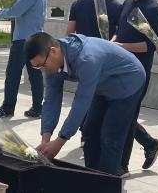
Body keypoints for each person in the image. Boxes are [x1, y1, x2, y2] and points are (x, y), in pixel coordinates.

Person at [29, 31, 145, 176]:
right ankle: (92, 176)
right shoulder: (52, 61)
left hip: (128, 82)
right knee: (89, 131)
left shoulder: (86, 58)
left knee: (110, 137)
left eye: (41, 65)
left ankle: (108, 181)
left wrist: (59, 142)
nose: (42, 70)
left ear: (53, 51)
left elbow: (81, 103)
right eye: (36, 67)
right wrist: (45, 140)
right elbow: (51, 99)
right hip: (102, 83)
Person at [112, 0, 158, 171]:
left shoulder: (152, 9)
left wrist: (121, 46)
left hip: (138, 71)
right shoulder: (127, 3)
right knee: (121, 114)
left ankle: (121, 166)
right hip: (119, 66)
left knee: (128, 116)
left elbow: (150, 46)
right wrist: (112, 42)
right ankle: (150, 144)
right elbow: (119, 31)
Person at [0, 0, 48, 119]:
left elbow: (16, 11)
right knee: (35, 75)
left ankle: (7, 108)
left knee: (13, 74)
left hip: (23, 39)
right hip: (37, 37)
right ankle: (37, 108)